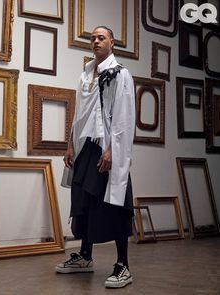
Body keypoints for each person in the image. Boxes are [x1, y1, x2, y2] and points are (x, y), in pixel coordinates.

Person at [55, 26, 135, 289]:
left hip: (107, 148)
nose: (96, 41)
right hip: (85, 147)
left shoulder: (121, 74)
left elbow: (124, 117)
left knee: (114, 205)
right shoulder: (85, 74)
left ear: (112, 42)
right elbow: (80, 114)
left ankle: (123, 265)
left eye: (101, 37)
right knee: (84, 201)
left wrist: (113, 149)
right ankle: (86, 257)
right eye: (92, 38)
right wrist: (70, 145)